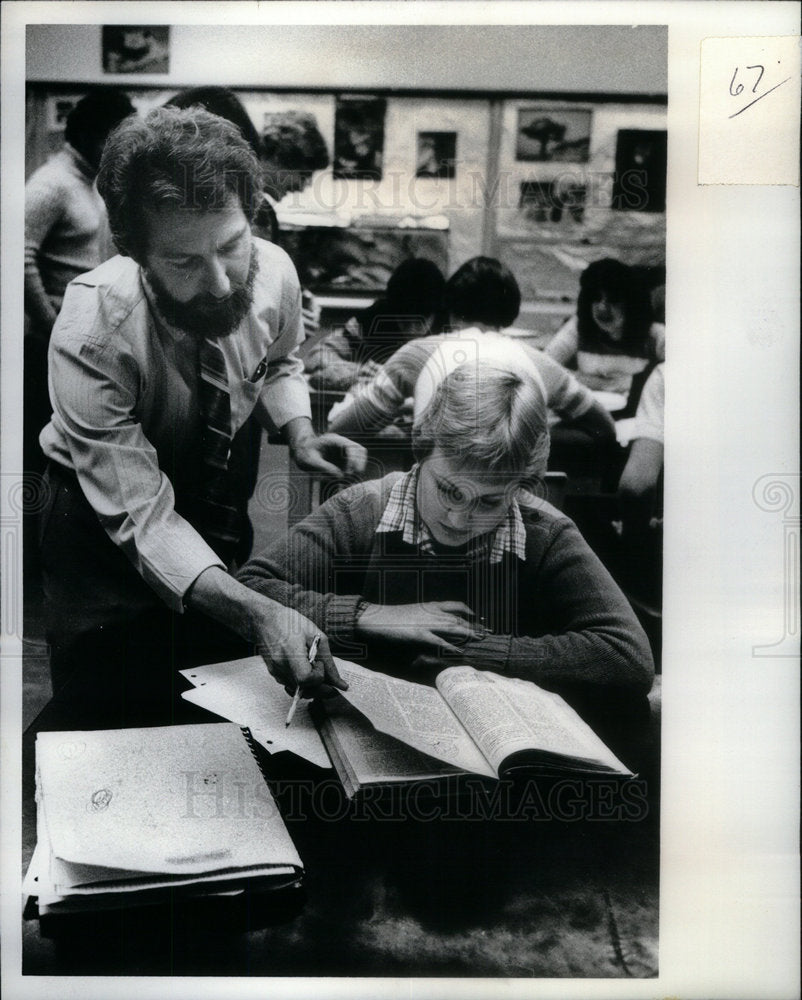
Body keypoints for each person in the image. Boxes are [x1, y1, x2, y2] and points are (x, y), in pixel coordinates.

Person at [39, 106, 365, 713]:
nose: (218, 282)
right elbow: (141, 516)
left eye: (231, 246)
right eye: (184, 262)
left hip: (211, 494)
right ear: (136, 252)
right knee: (103, 701)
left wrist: (297, 433)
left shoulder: (276, 273)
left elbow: (281, 361)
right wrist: (258, 610)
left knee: (213, 690)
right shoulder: (92, 332)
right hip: (97, 523)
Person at [239, 359, 654, 698]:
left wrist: (475, 650)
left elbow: (628, 657)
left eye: (489, 501)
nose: (459, 518)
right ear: (422, 448)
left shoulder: (545, 531)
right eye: (448, 490)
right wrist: (371, 616)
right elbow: (252, 588)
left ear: (522, 487)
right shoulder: (363, 507)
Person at [328, 256, 616, 449]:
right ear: (509, 313)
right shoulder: (540, 364)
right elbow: (605, 428)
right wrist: (527, 438)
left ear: (450, 310)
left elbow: (343, 429)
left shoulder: (416, 355)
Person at [24, 88, 136, 471]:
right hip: (50, 344)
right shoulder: (51, 183)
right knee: (44, 456)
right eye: (116, 138)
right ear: (93, 136)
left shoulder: (90, 180)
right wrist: (49, 325)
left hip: (80, 339)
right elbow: (18, 256)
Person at [304, 258, 446, 392]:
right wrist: (357, 371)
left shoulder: (449, 324)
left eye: (420, 322)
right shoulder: (374, 319)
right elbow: (317, 355)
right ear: (393, 310)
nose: (412, 331)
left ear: (436, 312)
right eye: (405, 321)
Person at [545, 257, 665, 397]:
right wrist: (605, 384)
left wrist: (637, 382)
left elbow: (682, 373)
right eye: (596, 298)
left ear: (631, 303)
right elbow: (545, 366)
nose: (603, 307)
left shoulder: (655, 335)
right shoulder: (579, 326)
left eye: (613, 299)